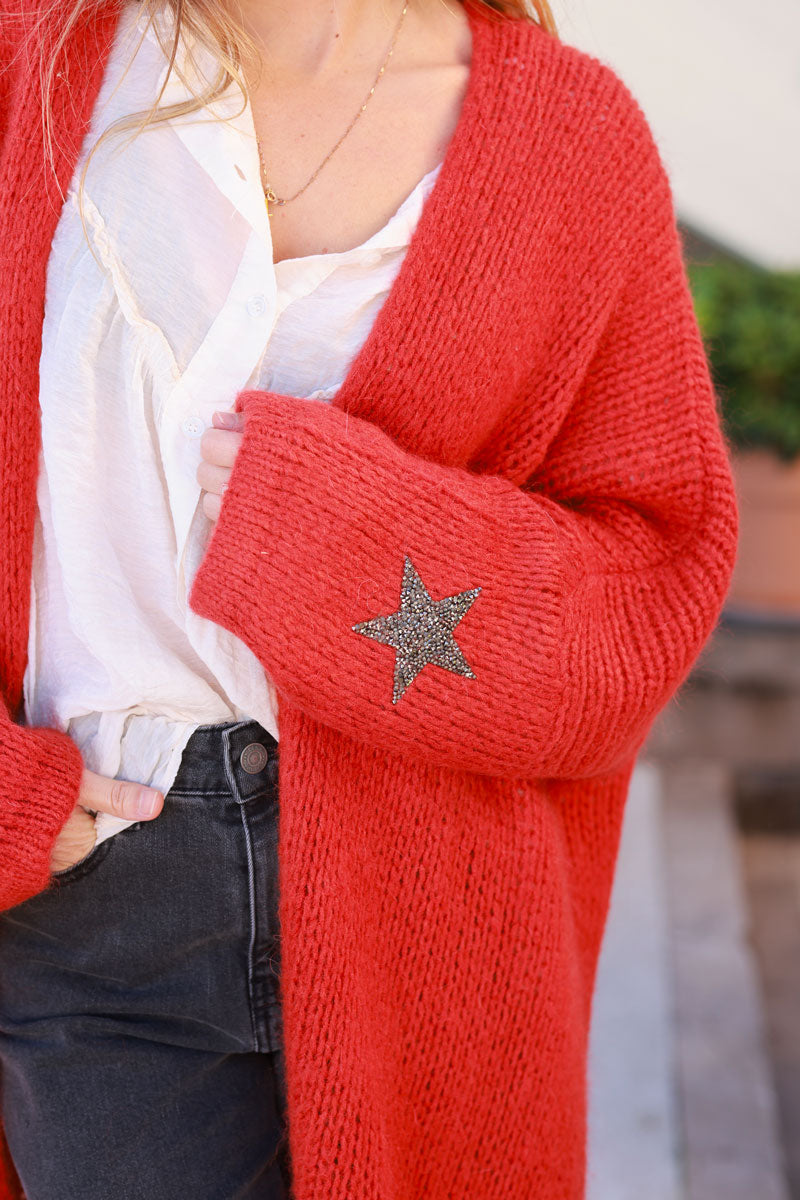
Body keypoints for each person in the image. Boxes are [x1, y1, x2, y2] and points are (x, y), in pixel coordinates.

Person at [0, 0, 739, 1196]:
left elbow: (647, 591)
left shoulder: (566, 138)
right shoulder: (28, 67)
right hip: (94, 897)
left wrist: (346, 542)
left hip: (432, 911)